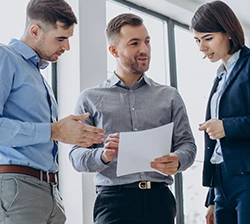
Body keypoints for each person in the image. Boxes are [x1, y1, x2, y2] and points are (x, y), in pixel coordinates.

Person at [69, 13, 196, 224]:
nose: (144, 50)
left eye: (147, 41)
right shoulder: (90, 99)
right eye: (134, 43)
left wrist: (178, 160)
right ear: (114, 50)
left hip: (160, 200)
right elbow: (76, 157)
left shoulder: (169, 96)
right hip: (113, 202)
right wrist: (103, 155)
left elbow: (187, 145)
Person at [0, 0, 105, 224]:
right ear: (35, 31)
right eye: (60, 38)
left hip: (49, 191)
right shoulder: (4, 57)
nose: (67, 46)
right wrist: (54, 131)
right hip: (16, 188)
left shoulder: (37, 74)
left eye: (68, 38)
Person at [191, 0, 250, 224]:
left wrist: (226, 127)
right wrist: (213, 197)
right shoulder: (221, 76)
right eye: (197, 40)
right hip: (221, 182)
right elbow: (218, 149)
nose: (202, 47)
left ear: (229, 32)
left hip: (246, 178)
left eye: (208, 39)